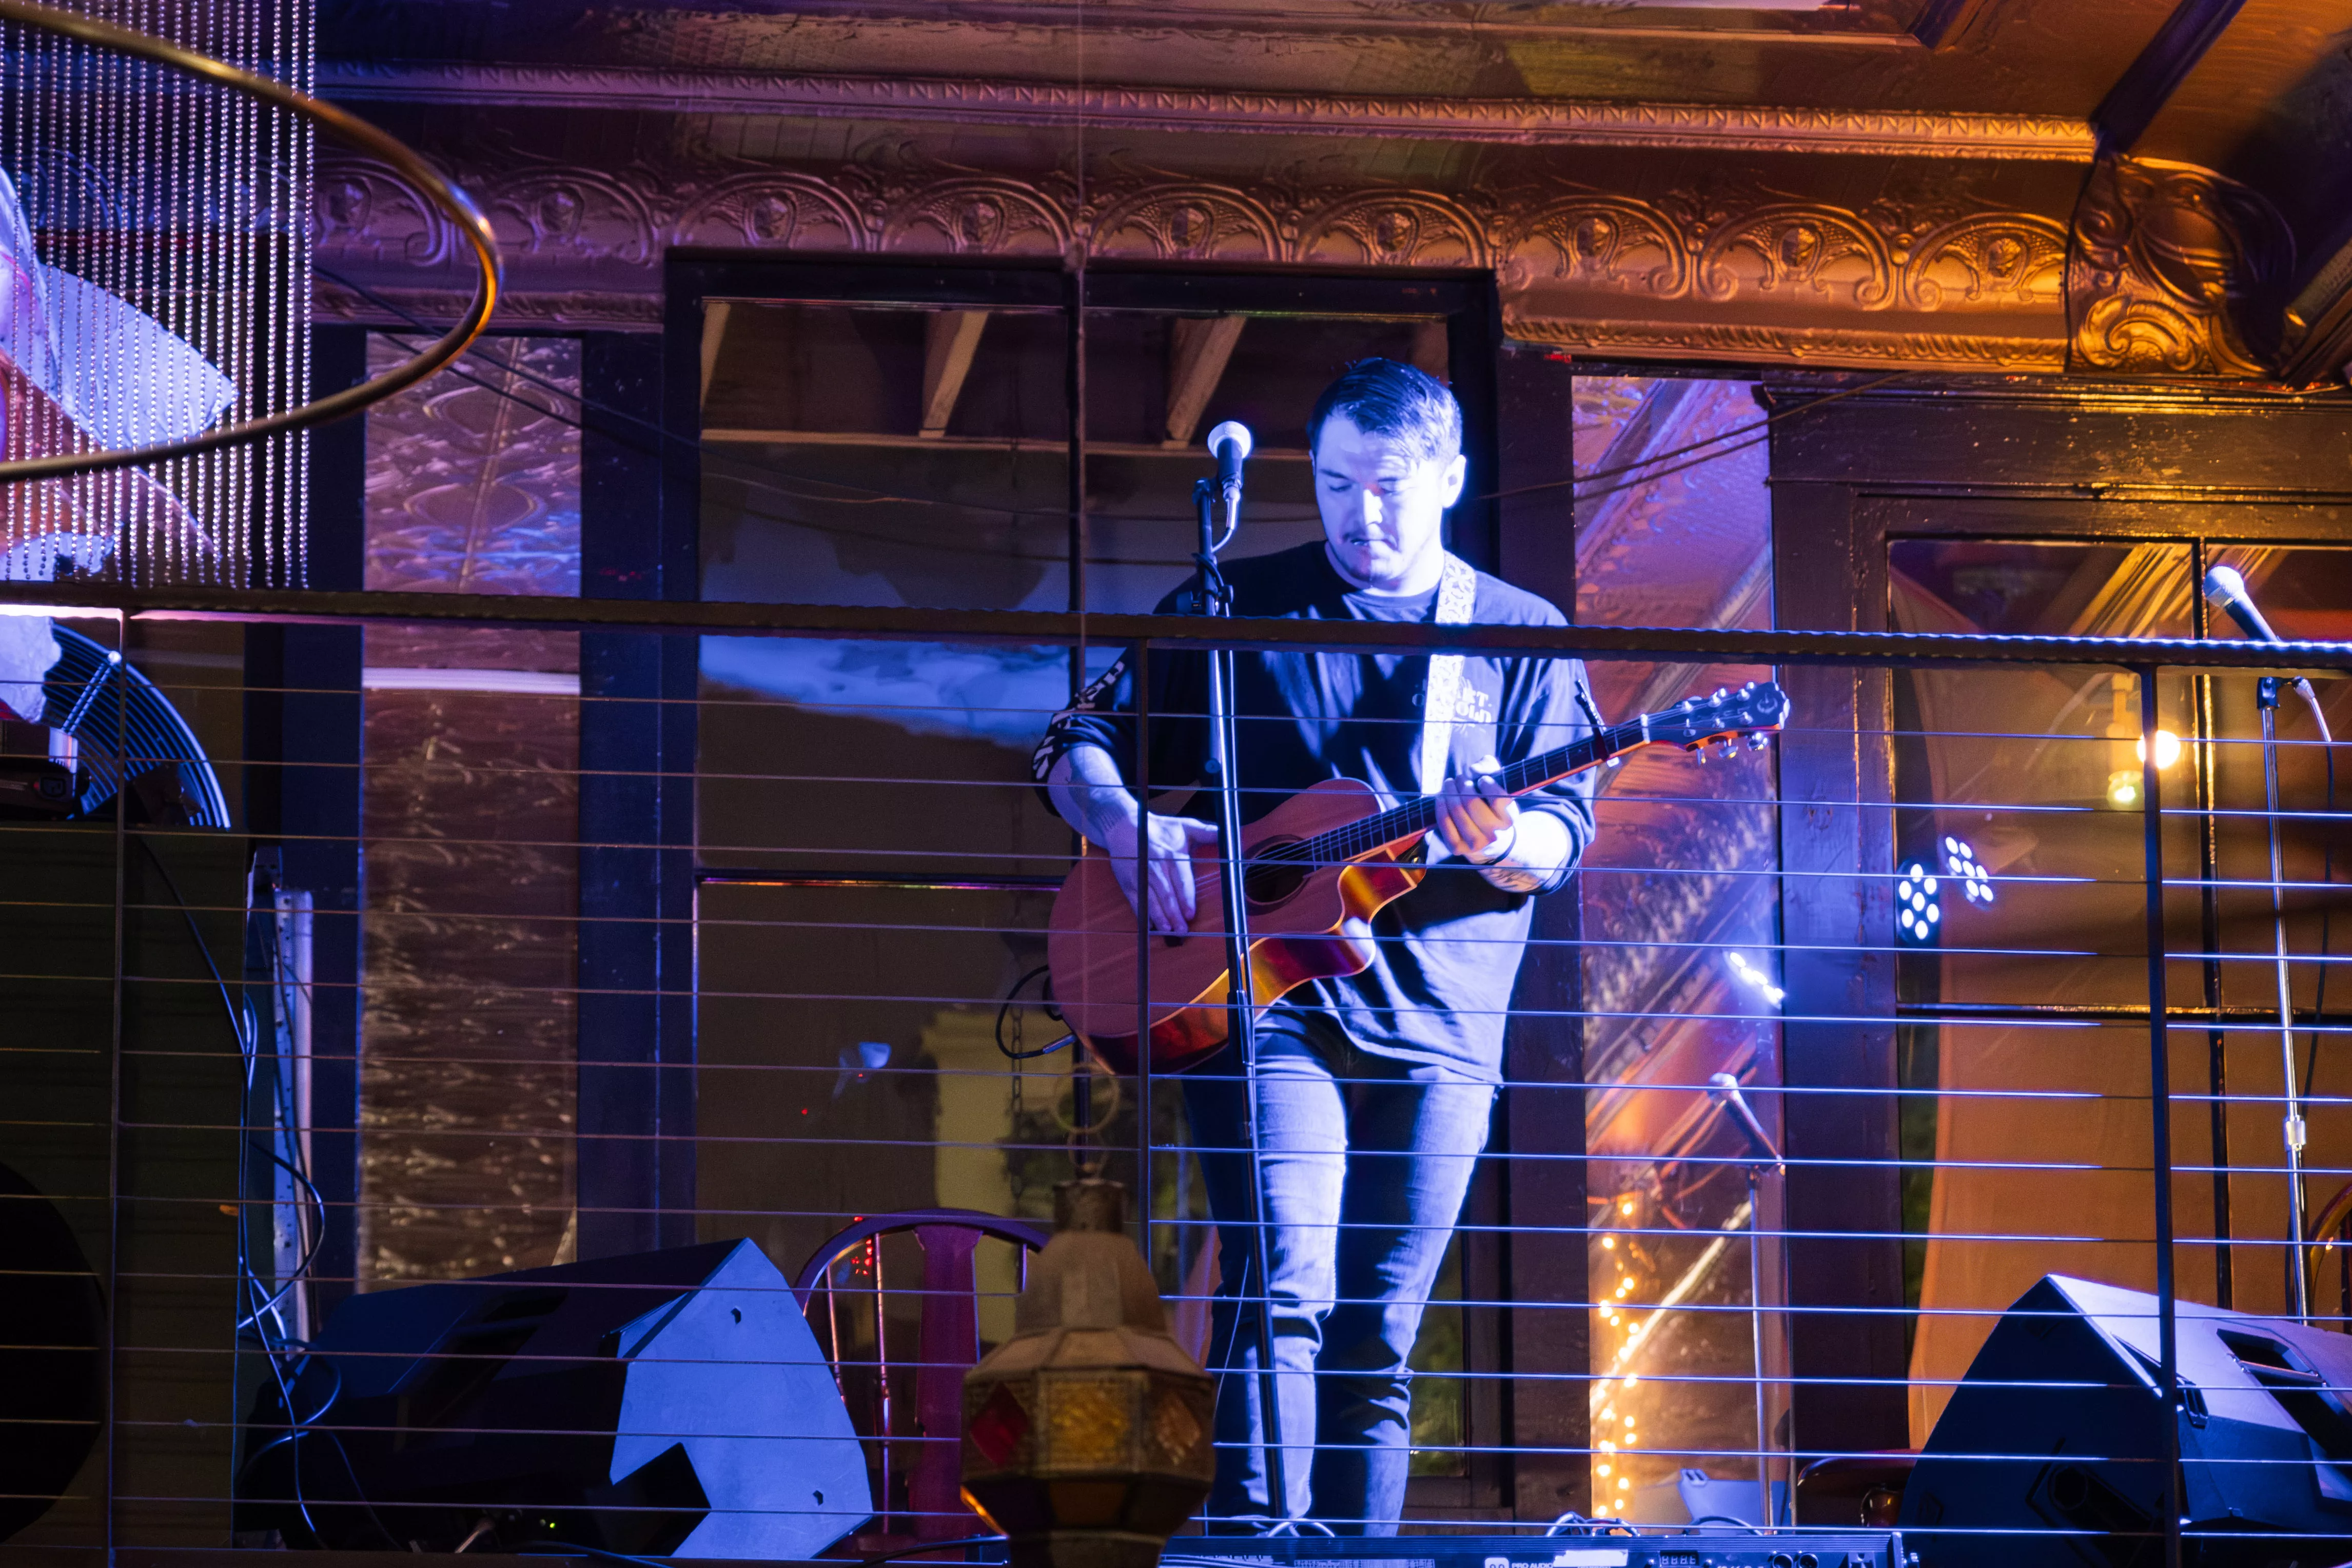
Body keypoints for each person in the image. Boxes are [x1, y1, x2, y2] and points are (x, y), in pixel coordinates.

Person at [1031, 357, 1599, 1534]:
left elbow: (1563, 828)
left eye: (1389, 486)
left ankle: (1351, 1560)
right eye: (1337, 483)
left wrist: (1507, 845)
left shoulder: (1517, 631)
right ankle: (1252, 1551)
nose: (1361, 513)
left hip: (1443, 1019)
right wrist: (1122, 818)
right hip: (1259, 1003)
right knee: (1284, 1285)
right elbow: (1077, 739)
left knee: (1379, 1335)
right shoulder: (1236, 606)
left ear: (1449, 477)